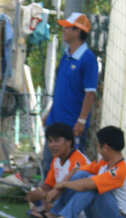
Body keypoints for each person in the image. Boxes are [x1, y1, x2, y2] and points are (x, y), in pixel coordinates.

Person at [44, 126, 126, 218]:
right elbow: (76, 171)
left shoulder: (121, 170)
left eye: (97, 146)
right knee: (82, 174)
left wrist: (63, 185)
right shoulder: (103, 164)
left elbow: (88, 184)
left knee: (92, 183)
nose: (98, 151)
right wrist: (59, 187)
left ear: (105, 147)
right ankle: (55, 213)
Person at [41, 13, 98, 180]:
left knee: (71, 171)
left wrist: (81, 120)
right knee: (48, 165)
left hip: (72, 126)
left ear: (78, 31)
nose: (63, 29)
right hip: (55, 121)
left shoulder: (88, 59)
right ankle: (46, 205)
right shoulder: (65, 56)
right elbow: (62, 89)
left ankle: (64, 205)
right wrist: (50, 112)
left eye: (67, 27)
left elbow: (90, 92)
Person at [26, 123, 89, 218]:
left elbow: (71, 192)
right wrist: (36, 192)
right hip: (62, 202)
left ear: (68, 142)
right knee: (36, 191)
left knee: (49, 199)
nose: (52, 145)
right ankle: (44, 211)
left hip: (79, 211)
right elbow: (48, 184)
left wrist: (42, 195)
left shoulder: (78, 161)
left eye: (56, 141)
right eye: (50, 141)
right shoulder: (56, 160)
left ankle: (47, 212)